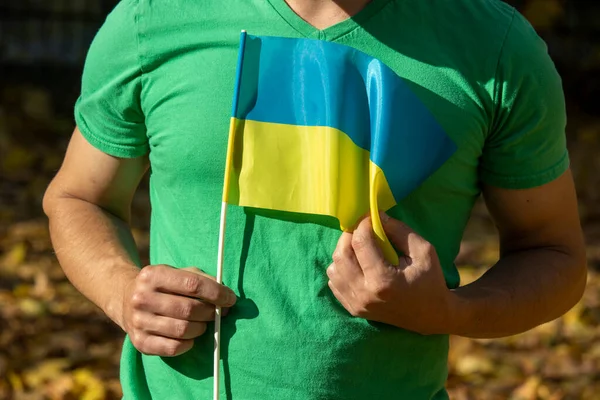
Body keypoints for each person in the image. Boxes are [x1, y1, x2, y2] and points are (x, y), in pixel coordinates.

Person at [43, 0, 587, 398]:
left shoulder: (493, 45)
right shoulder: (153, 19)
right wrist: (121, 292)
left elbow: (553, 255)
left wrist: (446, 311)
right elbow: (78, 198)